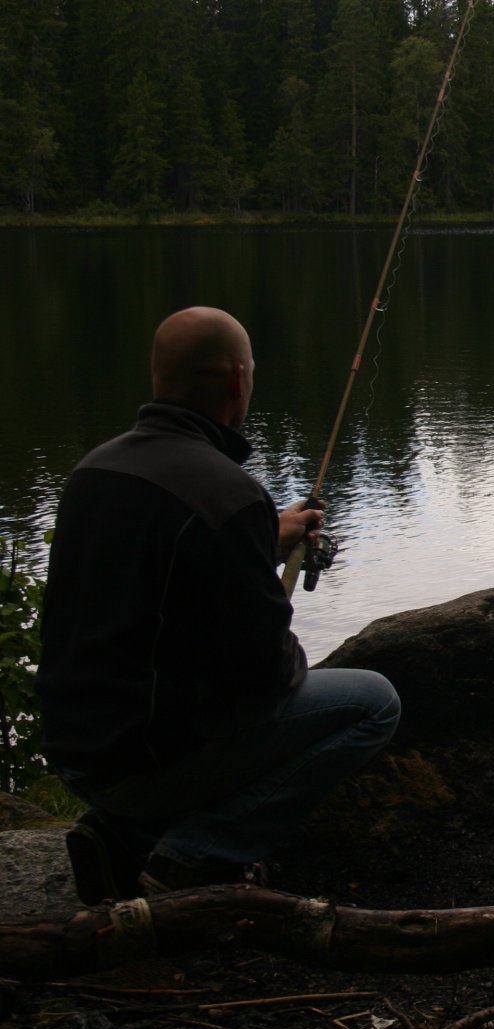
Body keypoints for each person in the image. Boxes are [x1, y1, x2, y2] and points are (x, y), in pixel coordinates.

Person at [36, 307, 400, 903]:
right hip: (144, 761)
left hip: (78, 753)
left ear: (158, 377)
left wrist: (261, 539)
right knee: (374, 702)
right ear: (238, 380)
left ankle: (123, 830)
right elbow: (268, 678)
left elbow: (152, 584)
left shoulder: (93, 470)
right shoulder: (227, 493)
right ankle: (199, 854)